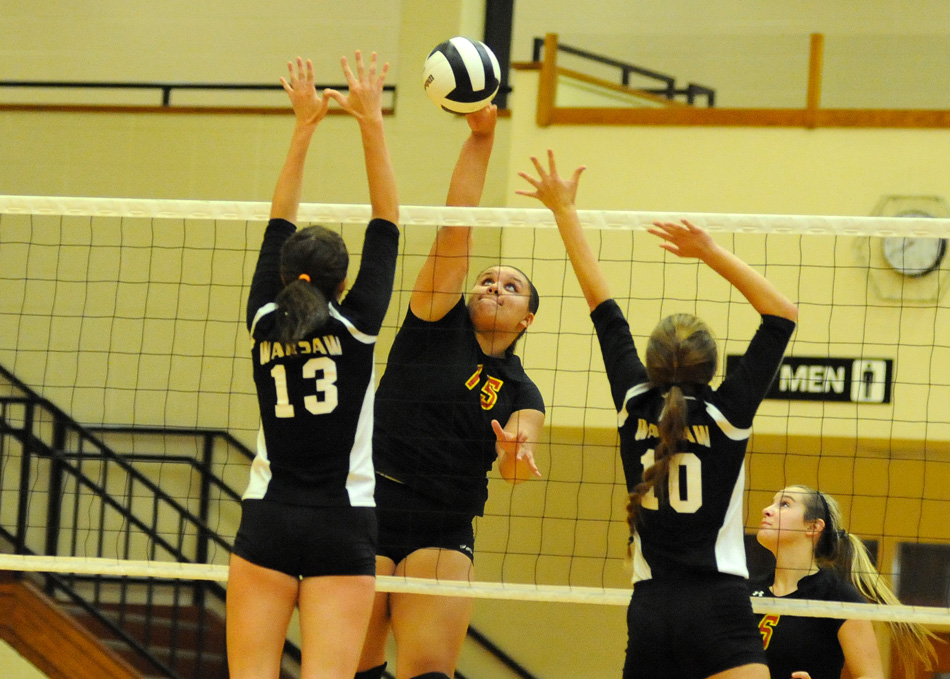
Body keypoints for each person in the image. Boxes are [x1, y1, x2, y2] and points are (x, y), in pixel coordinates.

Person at [518, 150, 798, 679]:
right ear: (712, 369)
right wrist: (709, 251)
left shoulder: (632, 403)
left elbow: (602, 305)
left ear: (650, 365)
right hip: (719, 607)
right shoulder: (727, 414)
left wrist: (564, 212)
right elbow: (782, 314)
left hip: (651, 610)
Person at [356, 104, 545, 679]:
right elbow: (456, 225)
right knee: (349, 670)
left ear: (526, 319)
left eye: (511, 287)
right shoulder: (436, 319)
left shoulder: (523, 391)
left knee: (429, 673)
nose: (494, 285)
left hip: (443, 522)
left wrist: (515, 457)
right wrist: (482, 139)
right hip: (367, 503)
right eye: (488, 279)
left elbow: (519, 455)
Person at [227, 51, 399, 679]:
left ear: (281, 276)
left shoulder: (262, 322)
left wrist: (304, 126)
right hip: (342, 525)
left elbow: (278, 221)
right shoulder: (357, 328)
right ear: (346, 280)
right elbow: (387, 222)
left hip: (266, 519)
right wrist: (370, 122)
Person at [752, 485, 936, 679]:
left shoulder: (836, 596)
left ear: (813, 527)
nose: (767, 509)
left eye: (784, 504)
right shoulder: (747, 592)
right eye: (772, 503)